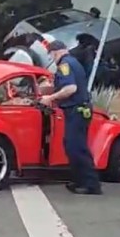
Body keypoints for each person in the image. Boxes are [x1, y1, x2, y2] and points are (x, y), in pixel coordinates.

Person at [39, 40, 102, 195]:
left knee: (77, 147)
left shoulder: (65, 65)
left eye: (52, 55)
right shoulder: (73, 62)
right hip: (78, 110)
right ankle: (80, 181)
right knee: (72, 145)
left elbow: (70, 88)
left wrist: (50, 98)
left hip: (77, 110)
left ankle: (91, 184)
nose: (52, 59)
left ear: (55, 53)